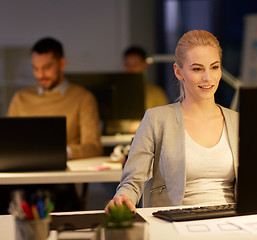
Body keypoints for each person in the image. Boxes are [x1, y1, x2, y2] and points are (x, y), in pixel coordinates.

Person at [106, 30, 239, 213]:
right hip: (178, 221)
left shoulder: (238, 121)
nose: (208, 77)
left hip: (233, 220)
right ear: (178, 71)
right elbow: (132, 181)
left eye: (214, 67)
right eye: (197, 69)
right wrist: (124, 197)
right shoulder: (157, 119)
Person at [7, 37, 103, 159]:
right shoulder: (20, 98)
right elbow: (8, 142)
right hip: (26, 172)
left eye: (46, 68)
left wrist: (63, 153)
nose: (40, 75)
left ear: (62, 64)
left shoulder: (83, 98)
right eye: (35, 68)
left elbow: (93, 146)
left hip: (66, 173)